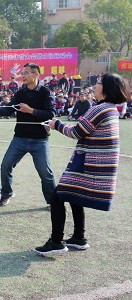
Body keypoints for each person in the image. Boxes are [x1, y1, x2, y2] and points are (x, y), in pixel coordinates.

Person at [35, 73, 130, 255]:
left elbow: (77, 132)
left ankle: (56, 241)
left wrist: (57, 124)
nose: (95, 85)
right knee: (73, 195)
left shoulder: (99, 109)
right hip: (94, 163)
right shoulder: (109, 108)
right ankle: (79, 237)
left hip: (90, 164)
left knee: (58, 196)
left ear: (106, 88)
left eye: (99, 83)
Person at [0, 63, 56, 207]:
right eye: (22, 73)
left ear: (35, 75)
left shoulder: (46, 92)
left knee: (45, 173)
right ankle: (6, 194)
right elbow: (9, 109)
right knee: (5, 165)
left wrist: (31, 111)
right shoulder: (20, 93)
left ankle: (53, 202)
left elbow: (51, 114)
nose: (22, 76)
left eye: (25, 73)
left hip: (39, 140)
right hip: (20, 138)